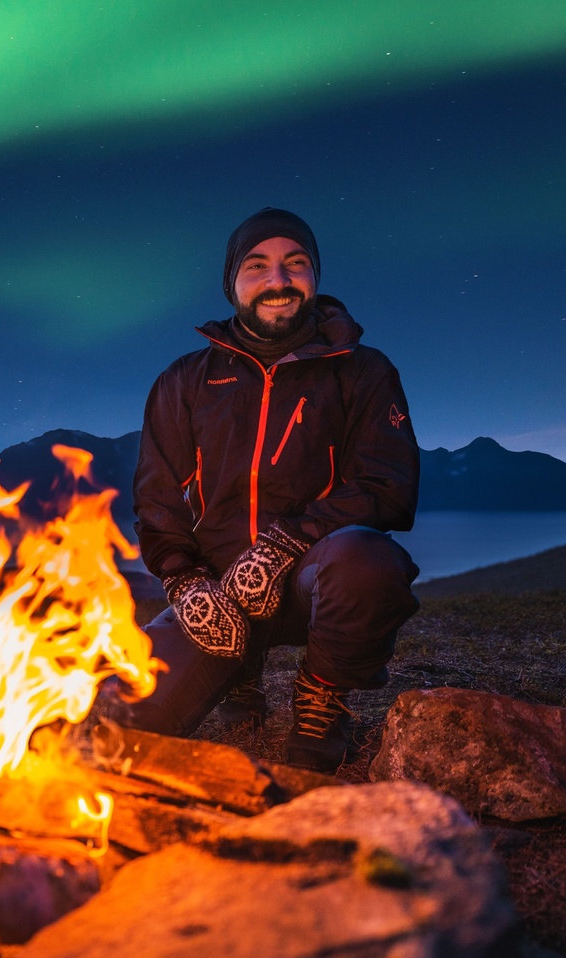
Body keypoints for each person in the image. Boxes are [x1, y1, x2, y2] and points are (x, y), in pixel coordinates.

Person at [111, 208, 420, 772]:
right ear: (232, 282)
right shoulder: (185, 381)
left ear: (315, 276)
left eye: (295, 263)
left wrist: (285, 544)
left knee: (368, 562)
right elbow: (157, 500)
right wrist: (183, 580)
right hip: (220, 597)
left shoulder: (362, 372)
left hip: (311, 580)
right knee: (128, 730)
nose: (278, 281)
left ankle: (321, 697)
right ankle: (238, 678)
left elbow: (387, 486)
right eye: (257, 266)